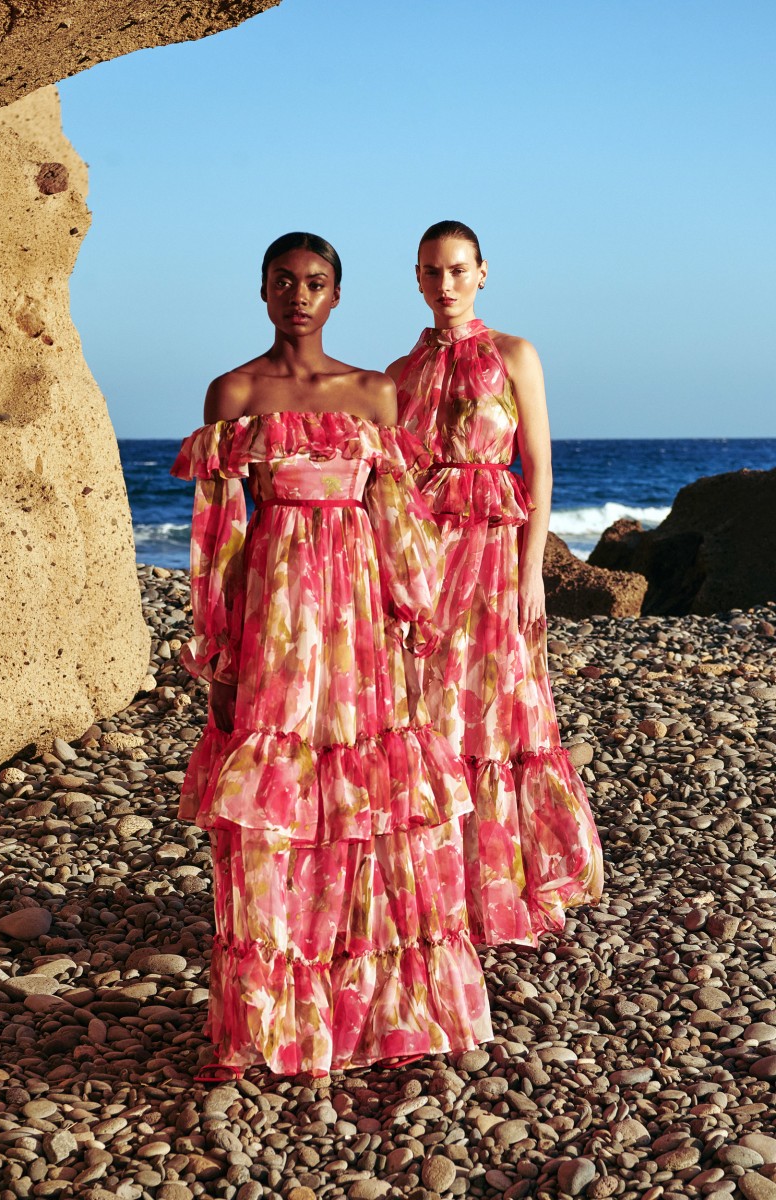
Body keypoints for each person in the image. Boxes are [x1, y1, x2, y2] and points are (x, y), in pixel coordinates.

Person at [171, 232, 491, 1079]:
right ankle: (263, 1021)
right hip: (276, 620)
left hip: (360, 629)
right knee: (275, 806)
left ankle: (375, 1013)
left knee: (366, 804)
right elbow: (220, 536)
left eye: (316, 283)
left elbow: (400, 527)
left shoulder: (373, 395)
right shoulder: (234, 391)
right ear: (263, 291)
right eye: (285, 281)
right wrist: (219, 653)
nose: (300, 295)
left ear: (337, 295)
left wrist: (418, 624)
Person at [387, 220, 603, 948]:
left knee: (497, 714)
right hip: (422, 561)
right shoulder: (395, 372)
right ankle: (432, 888)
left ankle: (496, 891)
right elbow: (384, 481)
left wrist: (533, 571)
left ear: (482, 273)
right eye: (429, 272)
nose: (443, 285)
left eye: (456, 270)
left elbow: (537, 470)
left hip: (491, 557)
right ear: (417, 279)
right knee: (424, 715)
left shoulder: (515, 355)